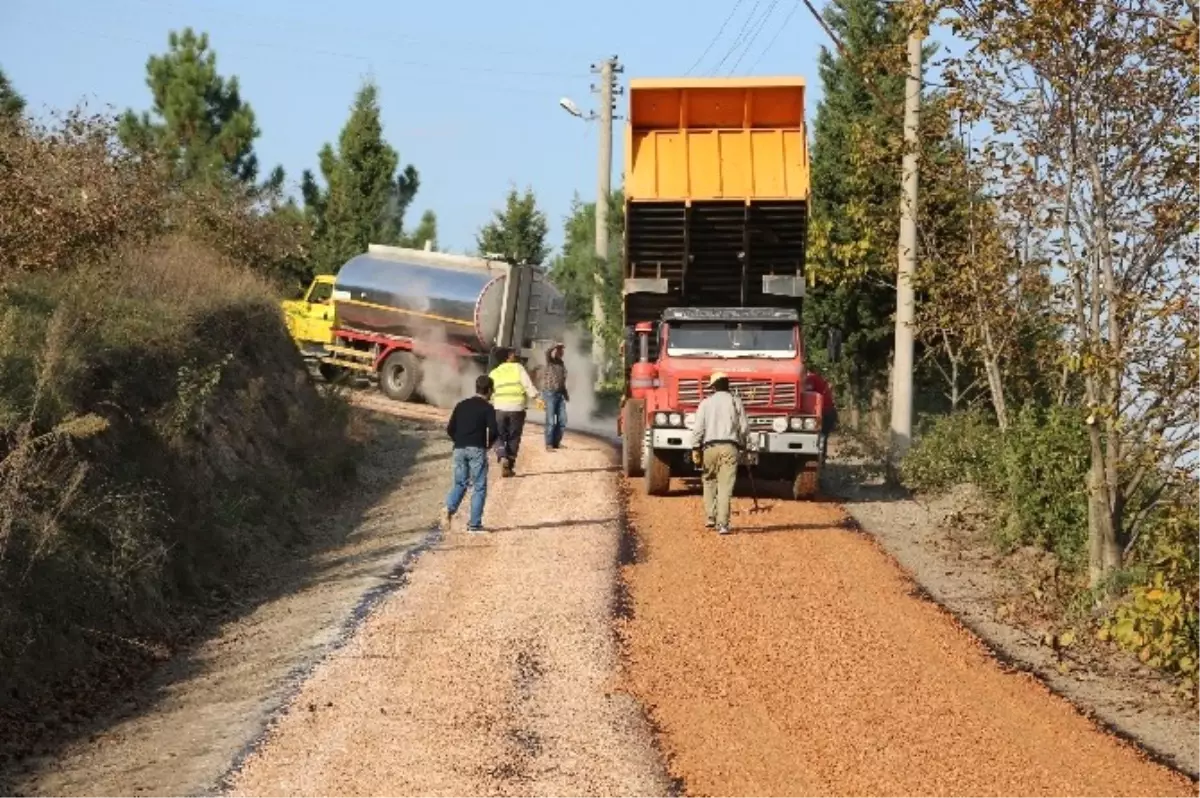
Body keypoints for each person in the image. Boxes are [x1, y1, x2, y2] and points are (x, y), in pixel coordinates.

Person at [689, 371, 748, 535]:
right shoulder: (736, 402)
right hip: (730, 447)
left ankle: (710, 517)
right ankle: (723, 524)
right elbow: (743, 428)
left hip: (709, 448)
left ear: (714, 387)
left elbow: (698, 429)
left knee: (708, 481)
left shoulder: (705, 403)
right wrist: (743, 444)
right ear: (727, 385)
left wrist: (695, 448)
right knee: (725, 486)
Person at [441, 375, 499, 534]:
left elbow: (450, 429)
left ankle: (449, 507)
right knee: (479, 487)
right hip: (477, 449)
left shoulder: (461, 405)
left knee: (460, 483)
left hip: (459, 448)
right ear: (488, 390)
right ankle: (474, 525)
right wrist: (488, 445)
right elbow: (494, 430)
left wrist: (459, 441)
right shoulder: (487, 408)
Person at [487, 347, 539, 477]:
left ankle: (501, 454)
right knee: (514, 437)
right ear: (507, 357)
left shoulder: (494, 373)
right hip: (517, 408)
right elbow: (527, 385)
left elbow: (489, 392)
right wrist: (536, 398)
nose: (514, 355)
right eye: (511, 354)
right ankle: (509, 466)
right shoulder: (518, 368)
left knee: (498, 435)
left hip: (499, 408)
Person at [804, 370, 838, 461]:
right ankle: (821, 459)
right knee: (823, 436)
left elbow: (806, 392)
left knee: (821, 436)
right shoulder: (817, 378)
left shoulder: (810, 378)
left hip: (824, 411)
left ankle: (819, 458)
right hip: (829, 411)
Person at [540, 342, 569, 451]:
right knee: (551, 420)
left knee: (563, 420)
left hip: (560, 394)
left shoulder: (561, 363)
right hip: (549, 393)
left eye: (561, 350)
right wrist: (554, 345)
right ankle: (549, 444)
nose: (560, 352)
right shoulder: (550, 361)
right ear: (555, 351)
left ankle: (556, 442)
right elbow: (547, 352)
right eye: (558, 350)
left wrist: (565, 393)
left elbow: (562, 381)